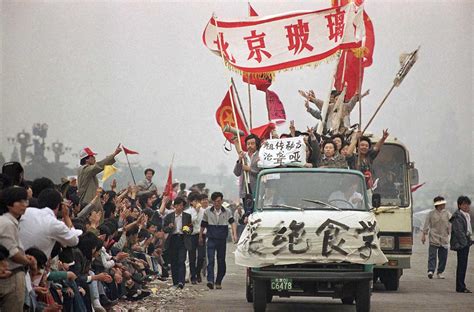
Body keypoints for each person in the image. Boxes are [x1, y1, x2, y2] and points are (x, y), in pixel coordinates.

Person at [0, 186, 37, 311]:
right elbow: (13, 254)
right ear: (9, 204)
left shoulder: (10, 222)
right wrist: (29, 261)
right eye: (20, 201)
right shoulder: (7, 223)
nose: (24, 205)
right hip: (11, 276)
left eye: (25, 201)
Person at [19, 188, 83, 259]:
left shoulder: (26, 211)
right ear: (59, 206)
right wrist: (66, 217)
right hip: (35, 264)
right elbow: (74, 241)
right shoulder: (55, 224)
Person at [200, 192, 237, 290]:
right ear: (213, 202)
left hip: (221, 240)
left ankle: (218, 280)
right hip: (211, 238)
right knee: (210, 260)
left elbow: (232, 223)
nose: (218, 203)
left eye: (219, 201)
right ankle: (210, 280)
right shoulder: (207, 211)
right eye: (216, 201)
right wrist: (200, 236)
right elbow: (203, 224)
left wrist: (234, 234)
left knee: (221, 261)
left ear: (222, 201)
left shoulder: (227, 211)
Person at [163, 197, 192, 289]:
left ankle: (181, 282)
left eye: (182, 205)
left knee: (181, 260)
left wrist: (186, 229)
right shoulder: (169, 216)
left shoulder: (187, 216)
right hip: (173, 240)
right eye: (178, 205)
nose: (180, 207)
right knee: (174, 261)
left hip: (183, 239)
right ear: (174, 206)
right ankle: (175, 282)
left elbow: (191, 228)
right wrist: (169, 227)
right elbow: (164, 229)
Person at [421, 196, 451, 279]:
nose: (443, 205)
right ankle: (431, 270)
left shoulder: (447, 213)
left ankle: (440, 272)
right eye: (441, 203)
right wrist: (424, 235)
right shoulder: (431, 214)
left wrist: (451, 234)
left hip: (444, 237)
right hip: (434, 237)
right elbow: (426, 225)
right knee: (432, 255)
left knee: (443, 257)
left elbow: (451, 224)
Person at [233, 134, 261, 215]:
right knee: (248, 213)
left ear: (256, 144)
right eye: (248, 144)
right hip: (245, 189)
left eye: (252, 143)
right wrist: (239, 159)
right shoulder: (243, 156)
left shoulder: (260, 155)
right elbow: (236, 173)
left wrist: (250, 169)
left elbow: (262, 171)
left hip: (257, 188)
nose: (250, 146)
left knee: (256, 212)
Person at [450, 196, 472, 293]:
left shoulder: (466, 215)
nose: (466, 206)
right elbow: (459, 231)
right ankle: (460, 286)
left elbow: (467, 230)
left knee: (463, 265)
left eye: (467, 204)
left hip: (465, 242)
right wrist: (465, 243)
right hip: (461, 244)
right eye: (464, 204)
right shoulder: (458, 216)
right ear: (459, 205)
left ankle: (461, 285)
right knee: (462, 265)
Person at [185, 192, 205, 284]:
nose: (197, 203)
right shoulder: (188, 212)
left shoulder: (203, 211)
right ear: (191, 202)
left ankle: (198, 272)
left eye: (198, 201)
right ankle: (193, 276)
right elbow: (191, 221)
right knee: (192, 257)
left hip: (201, 235)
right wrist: (196, 212)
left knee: (201, 256)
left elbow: (204, 223)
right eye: (195, 201)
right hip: (191, 235)